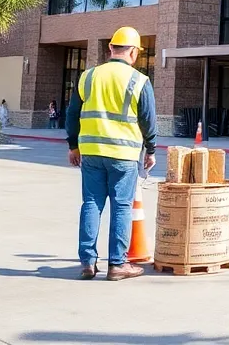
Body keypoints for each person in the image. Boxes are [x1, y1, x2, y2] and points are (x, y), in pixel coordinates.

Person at [66, 27, 157, 282]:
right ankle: (117, 265)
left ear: (111, 49)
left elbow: (72, 114)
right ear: (133, 51)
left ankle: (87, 262)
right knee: (122, 207)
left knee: (91, 204)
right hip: (124, 154)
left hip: (91, 152)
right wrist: (151, 150)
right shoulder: (139, 80)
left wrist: (73, 146)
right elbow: (148, 121)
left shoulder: (88, 76)